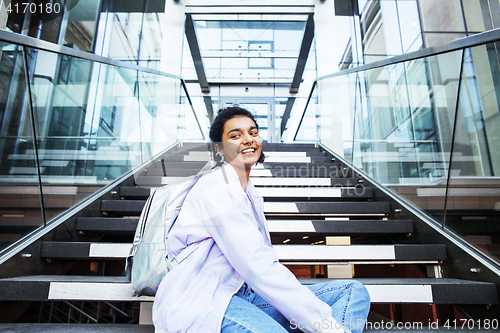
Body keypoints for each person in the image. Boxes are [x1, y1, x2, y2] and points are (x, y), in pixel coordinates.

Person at [152, 106, 370, 333]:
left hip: (244, 295)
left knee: (352, 291)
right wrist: (326, 326)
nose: (248, 139)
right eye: (235, 136)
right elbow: (258, 266)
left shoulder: (249, 192)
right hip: (204, 298)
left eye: (253, 132)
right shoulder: (217, 186)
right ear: (219, 149)